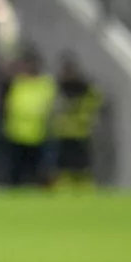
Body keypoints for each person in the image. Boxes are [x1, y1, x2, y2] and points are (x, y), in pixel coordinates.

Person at [2, 49, 57, 187]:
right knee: (16, 172)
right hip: (17, 134)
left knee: (41, 172)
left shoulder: (46, 83)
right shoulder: (17, 83)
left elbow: (51, 106)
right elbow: (11, 105)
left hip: (41, 134)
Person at [50, 53, 102, 188]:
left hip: (80, 134)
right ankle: (65, 191)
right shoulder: (59, 88)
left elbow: (94, 104)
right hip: (64, 134)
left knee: (82, 168)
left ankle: (83, 190)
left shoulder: (84, 89)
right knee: (64, 168)